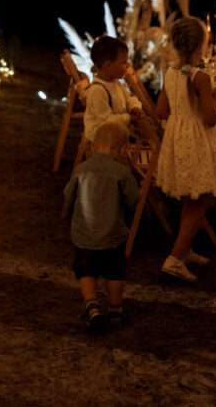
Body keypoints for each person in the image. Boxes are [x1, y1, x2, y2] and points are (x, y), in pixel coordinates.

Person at [155, 17, 216, 284]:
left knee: (192, 197)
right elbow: (210, 118)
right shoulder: (200, 77)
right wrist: (215, 101)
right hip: (196, 139)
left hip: (178, 138)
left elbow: (161, 111)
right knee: (204, 198)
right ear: (200, 46)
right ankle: (174, 259)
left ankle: (184, 250)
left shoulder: (171, 73)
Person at [62, 121, 139, 333]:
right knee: (114, 272)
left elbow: (68, 196)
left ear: (93, 146)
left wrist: (66, 215)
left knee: (85, 270)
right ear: (123, 149)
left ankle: (92, 305)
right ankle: (115, 309)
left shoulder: (80, 170)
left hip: (84, 235)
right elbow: (133, 200)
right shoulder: (122, 173)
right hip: (113, 235)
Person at [83, 36, 142, 143]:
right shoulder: (97, 90)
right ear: (108, 65)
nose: (128, 65)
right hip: (101, 141)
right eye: (123, 62)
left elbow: (128, 98)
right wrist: (129, 118)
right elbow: (106, 121)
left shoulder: (116, 83)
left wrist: (134, 107)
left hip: (116, 132)